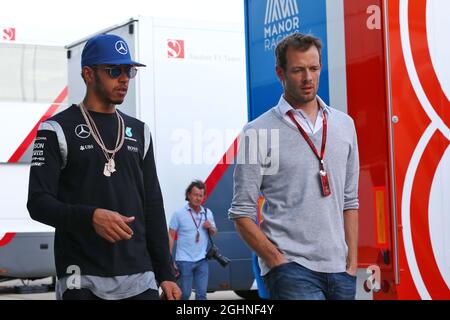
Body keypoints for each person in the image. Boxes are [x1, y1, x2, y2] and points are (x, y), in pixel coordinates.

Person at [27, 34, 181, 300]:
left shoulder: (139, 131)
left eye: (128, 71)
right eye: (114, 70)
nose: (124, 79)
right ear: (88, 74)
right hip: (81, 277)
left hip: (139, 277)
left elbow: (153, 205)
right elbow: (38, 203)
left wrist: (165, 273)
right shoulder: (55, 129)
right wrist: (90, 217)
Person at [228, 33, 359, 300]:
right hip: (292, 271)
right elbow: (241, 212)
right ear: (280, 73)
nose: (308, 78)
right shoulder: (257, 132)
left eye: (313, 68)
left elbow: (350, 201)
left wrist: (352, 263)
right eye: (298, 70)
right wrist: (276, 259)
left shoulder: (344, 125)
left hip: (340, 271)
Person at [168, 180, 217, 300]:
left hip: (202, 260)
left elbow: (214, 232)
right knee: (184, 294)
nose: (198, 198)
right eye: (195, 195)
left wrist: (210, 227)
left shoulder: (207, 213)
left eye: (201, 195)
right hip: (184, 260)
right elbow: (171, 236)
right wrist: (169, 258)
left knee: (201, 295)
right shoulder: (178, 214)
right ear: (188, 195)